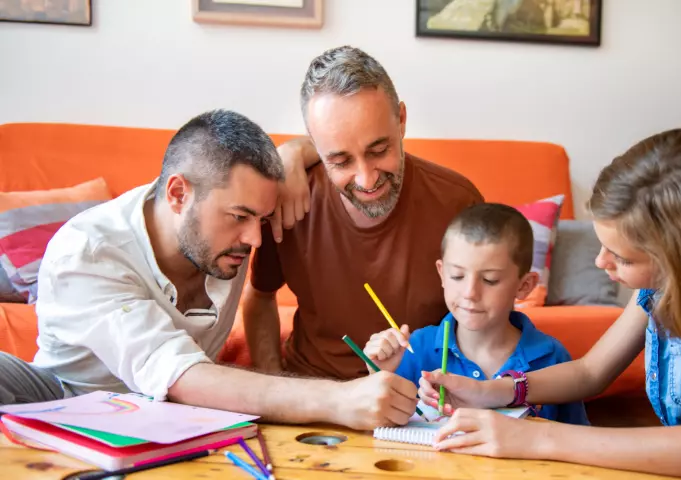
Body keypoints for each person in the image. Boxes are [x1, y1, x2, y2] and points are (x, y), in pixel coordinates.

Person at [0, 109, 419, 431]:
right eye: (239, 216)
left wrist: (295, 153)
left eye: (262, 217)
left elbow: (338, 144)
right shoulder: (88, 251)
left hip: (177, 415)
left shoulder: (229, 222)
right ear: (179, 194)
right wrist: (342, 401)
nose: (256, 240)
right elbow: (181, 375)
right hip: (71, 400)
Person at [419, 128, 681, 479]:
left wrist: (533, 437)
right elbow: (590, 373)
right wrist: (494, 390)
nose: (601, 262)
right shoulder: (664, 284)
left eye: (623, 257)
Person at [242, 45, 484, 379]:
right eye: (340, 161)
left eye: (379, 150)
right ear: (315, 145)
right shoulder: (289, 198)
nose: (367, 179)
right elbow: (260, 296)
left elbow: (488, 321)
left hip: (422, 402)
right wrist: (275, 384)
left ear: (401, 120)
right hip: (314, 394)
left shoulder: (458, 202)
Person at [363, 203, 589, 426]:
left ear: (524, 285)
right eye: (457, 276)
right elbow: (379, 431)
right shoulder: (415, 349)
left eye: (490, 280)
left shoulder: (552, 358)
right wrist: (379, 375)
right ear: (442, 273)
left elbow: (577, 443)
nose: (470, 293)